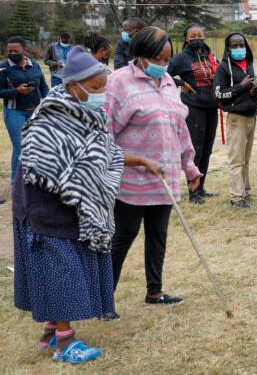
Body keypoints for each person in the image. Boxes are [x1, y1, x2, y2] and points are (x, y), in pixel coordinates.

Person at [13, 46, 160, 364]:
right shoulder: (49, 118)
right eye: (94, 89)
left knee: (69, 270)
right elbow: (49, 166)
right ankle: (65, 343)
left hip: (74, 211)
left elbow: (103, 154)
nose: (100, 94)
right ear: (72, 86)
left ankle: (52, 329)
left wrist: (141, 160)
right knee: (59, 272)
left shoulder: (88, 115)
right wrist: (84, 182)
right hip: (47, 209)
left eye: (103, 88)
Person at [106, 26, 202, 308]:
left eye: (167, 59)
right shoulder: (119, 82)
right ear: (141, 56)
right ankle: (103, 298)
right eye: (158, 59)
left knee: (158, 234)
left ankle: (155, 291)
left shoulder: (169, 83)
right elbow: (105, 133)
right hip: (131, 178)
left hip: (165, 175)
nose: (163, 65)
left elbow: (179, 127)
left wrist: (190, 167)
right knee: (123, 236)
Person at [168, 24, 219, 203]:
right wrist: (181, 83)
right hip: (194, 108)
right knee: (195, 150)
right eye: (193, 35)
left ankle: (202, 187)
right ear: (187, 39)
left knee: (207, 149)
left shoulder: (211, 56)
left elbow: (219, 74)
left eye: (200, 34)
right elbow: (164, 75)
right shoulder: (181, 58)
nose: (197, 37)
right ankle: (193, 192)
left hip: (212, 107)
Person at [214, 32, 257, 209]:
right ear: (228, 48)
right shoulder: (223, 68)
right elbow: (218, 94)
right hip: (236, 118)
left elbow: (250, 87)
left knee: (246, 157)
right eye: (235, 46)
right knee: (236, 158)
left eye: (241, 45)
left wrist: (254, 92)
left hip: (251, 115)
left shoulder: (248, 64)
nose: (239, 48)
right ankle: (236, 196)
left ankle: (246, 191)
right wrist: (242, 87)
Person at [0, 36, 49, 183]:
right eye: (10, 51)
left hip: (35, 111)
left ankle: (35, 180)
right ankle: (16, 183)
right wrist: (16, 91)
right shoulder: (3, 68)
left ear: (24, 50)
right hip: (15, 112)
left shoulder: (34, 65)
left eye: (16, 50)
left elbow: (43, 86)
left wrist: (47, 101)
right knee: (20, 146)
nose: (12, 53)